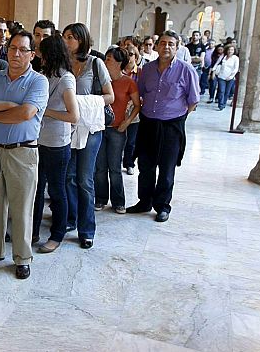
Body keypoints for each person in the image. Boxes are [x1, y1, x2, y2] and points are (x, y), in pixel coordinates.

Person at [0, 30, 49, 279]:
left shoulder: (39, 81)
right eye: (12, 48)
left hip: (23, 152)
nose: (16, 54)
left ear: (32, 54)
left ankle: (22, 257)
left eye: (22, 50)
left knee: (22, 207)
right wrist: (6, 107)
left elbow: (26, 113)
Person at [127, 30, 199, 222]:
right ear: (157, 46)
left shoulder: (186, 70)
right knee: (145, 165)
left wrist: (180, 118)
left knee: (167, 168)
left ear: (177, 47)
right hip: (148, 123)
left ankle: (162, 206)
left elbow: (193, 101)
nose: (166, 47)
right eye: (163, 43)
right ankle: (144, 202)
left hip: (172, 126)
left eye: (171, 44)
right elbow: (141, 93)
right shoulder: (148, 70)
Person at [62, 23, 114, 249]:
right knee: (68, 177)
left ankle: (86, 229)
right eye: (64, 37)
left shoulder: (96, 63)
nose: (67, 41)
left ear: (81, 40)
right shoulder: (62, 64)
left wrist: (84, 103)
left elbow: (110, 96)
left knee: (84, 179)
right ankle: (71, 219)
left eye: (71, 37)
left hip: (90, 126)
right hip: (67, 126)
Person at [33, 35, 79, 254]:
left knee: (57, 190)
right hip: (40, 140)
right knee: (37, 188)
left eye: (41, 52)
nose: (38, 55)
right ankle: (32, 231)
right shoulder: (45, 75)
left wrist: (44, 111)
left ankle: (57, 235)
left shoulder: (66, 79)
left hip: (57, 144)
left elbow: (74, 116)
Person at [95, 47, 140, 214]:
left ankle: (118, 201)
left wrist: (127, 122)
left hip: (117, 129)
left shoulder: (128, 82)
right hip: (99, 128)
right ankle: (100, 199)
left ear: (118, 62)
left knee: (114, 167)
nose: (106, 61)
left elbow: (137, 105)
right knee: (100, 167)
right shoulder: (100, 80)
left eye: (109, 59)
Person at [213, 44, 239, 111]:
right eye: (229, 50)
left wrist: (231, 76)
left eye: (232, 50)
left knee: (227, 92)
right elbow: (217, 63)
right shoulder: (223, 56)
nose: (230, 51)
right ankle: (220, 104)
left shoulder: (235, 58)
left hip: (230, 78)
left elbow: (236, 69)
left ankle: (224, 103)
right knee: (221, 90)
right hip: (221, 76)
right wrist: (213, 70)